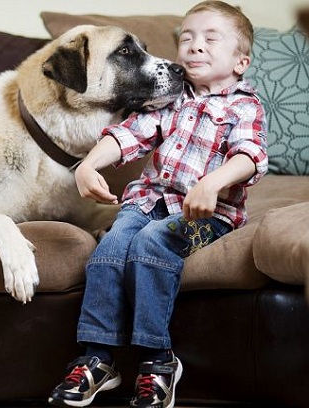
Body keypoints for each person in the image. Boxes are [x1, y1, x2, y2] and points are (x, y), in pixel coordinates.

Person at [48, 1, 268, 408]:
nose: (194, 46)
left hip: (208, 216)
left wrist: (212, 184)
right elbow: (131, 134)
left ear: (241, 62)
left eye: (209, 39)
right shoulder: (171, 97)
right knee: (108, 251)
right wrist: (88, 164)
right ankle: (98, 359)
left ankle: (157, 361)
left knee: (152, 243)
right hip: (147, 202)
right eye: (187, 38)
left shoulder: (244, 106)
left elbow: (251, 156)